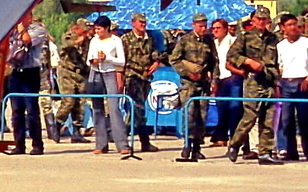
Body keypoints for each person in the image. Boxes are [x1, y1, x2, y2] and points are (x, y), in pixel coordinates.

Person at [227, 7, 279, 162]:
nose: (262, 22)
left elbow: (278, 61)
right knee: (250, 116)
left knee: (268, 118)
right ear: (254, 20)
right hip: (253, 80)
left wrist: (277, 82)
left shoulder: (274, 39)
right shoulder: (245, 37)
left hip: (269, 81)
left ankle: (265, 153)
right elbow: (232, 55)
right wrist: (247, 61)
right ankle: (235, 144)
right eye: (259, 19)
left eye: (265, 19)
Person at [273, 13, 308, 162]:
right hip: (286, 84)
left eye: (295, 24)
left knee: (304, 119)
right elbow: (277, 65)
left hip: (302, 82)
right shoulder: (280, 46)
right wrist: (278, 83)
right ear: (283, 28)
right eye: (289, 25)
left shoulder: (306, 42)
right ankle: (291, 151)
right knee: (287, 120)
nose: (293, 28)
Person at [169, 12, 218, 160]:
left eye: (205, 26)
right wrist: (188, 73)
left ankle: (197, 147)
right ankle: (187, 145)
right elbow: (174, 60)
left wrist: (214, 80)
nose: (203, 29)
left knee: (202, 116)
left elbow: (214, 61)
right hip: (188, 83)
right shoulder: (184, 40)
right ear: (194, 25)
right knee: (188, 115)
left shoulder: (209, 40)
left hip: (203, 83)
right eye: (200, 26)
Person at [85, 15, 135, 159]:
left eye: (100, 28)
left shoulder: (116, 40)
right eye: (96, 28)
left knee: (114, 107)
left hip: (110, 72)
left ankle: (122, 144)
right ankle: (100, 144)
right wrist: (94, 61)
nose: (97, 31)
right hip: (96, 73)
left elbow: (122, 61)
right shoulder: (94, 40)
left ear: (107, 28)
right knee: (97, 108)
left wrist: (107, 58)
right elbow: (89, 60)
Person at [2, 19, 48, 154]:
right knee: (16, 110)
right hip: (15, 72)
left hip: (30, 72)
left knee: (32, 110)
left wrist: (22, 29)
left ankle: (37, 144)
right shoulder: (13, 30)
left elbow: (27, 40)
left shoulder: (38, 30)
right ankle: (19, 144)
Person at [121, 12, 161, 152]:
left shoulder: (149, 38)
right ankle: (141, 141)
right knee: (137, 108)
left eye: (144, 22)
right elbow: (122, 60)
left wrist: (156, 62)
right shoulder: (125, 39)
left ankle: (122, 139)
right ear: (133, 23)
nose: (143, 25)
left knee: (136, 110)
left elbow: (154, 52)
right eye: (140, 22)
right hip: (133, 76)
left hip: (146, 78)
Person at [53, 20, 91, 142]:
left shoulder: (89, 41)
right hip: (67, 73)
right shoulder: (68, 36)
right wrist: (78, 41)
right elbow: (66, 45)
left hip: (81, 74)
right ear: (77, 28)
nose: (86, 32)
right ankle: (57, 125)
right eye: (83, 30)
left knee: (80, 103)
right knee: (68, 101)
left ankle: (76, 132)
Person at [209, 17, 240, 148]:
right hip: (219, 78)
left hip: (232, 77)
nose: (216, 30)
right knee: (221, 109)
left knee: (234, 108)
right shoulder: (213, 43)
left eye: (218, 28)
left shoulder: (233, 41)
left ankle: (235, 137)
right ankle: (221, 137)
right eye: (214, 28)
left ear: (226, 29)